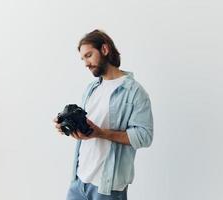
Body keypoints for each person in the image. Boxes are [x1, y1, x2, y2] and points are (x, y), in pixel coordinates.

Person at [53, 29, 154, 200]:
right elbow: (89, 129)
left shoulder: (135, 92)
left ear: (105, 50)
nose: (86, 63)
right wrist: (68, 127)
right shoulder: (92, 88)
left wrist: (102, 133)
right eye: (83, 59)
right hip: (79, 182)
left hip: (107, 189)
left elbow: (145, 137)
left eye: (89, 55)